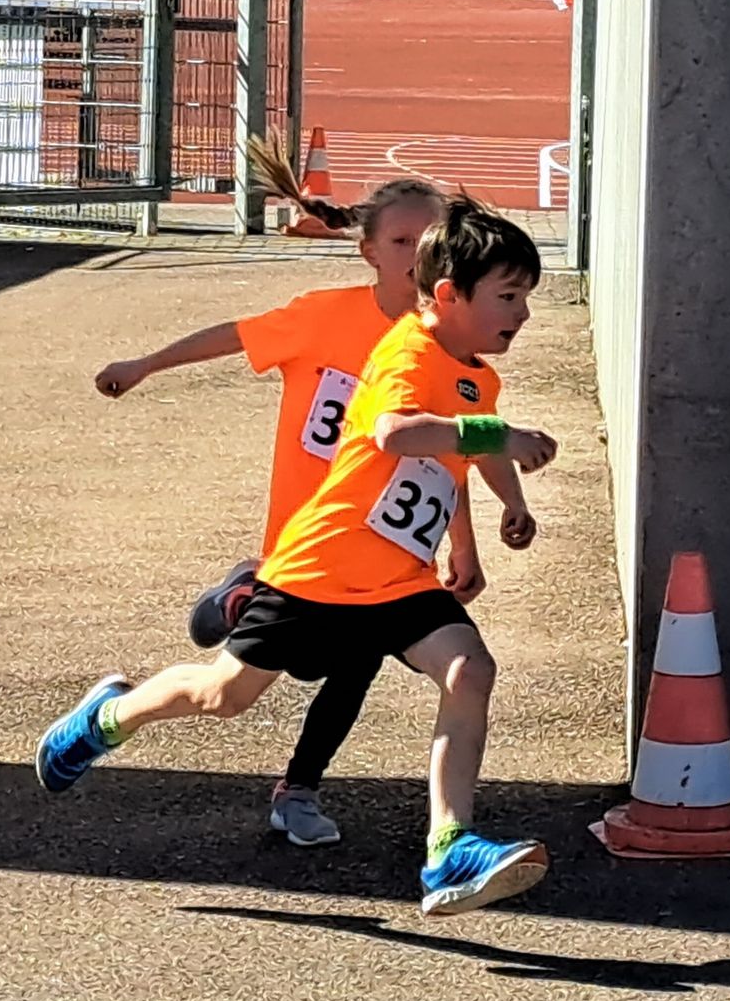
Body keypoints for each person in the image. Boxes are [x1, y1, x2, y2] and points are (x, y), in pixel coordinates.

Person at [42, 197, 559, 917]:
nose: (523, 314)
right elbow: (399, 433)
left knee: (469, 670)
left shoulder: (476, 374)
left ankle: (449, 846)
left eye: (526, 297)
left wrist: (512, 500)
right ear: (448, 295)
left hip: (398, 582)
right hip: (320, 570)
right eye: (508, 297)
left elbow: (470, 440)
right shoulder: (407, 352)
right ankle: (108, 717)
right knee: (222, 697)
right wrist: (499, 437)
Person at [92, 139, 452, 847]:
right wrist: (145, 365)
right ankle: (244, 594)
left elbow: (449, 451)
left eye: (430, 242)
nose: (416, 256)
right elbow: (234, 336)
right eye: (401, 242)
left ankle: (300, 789)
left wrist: (462, 545)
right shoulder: (324, 317)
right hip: (308, 541)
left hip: (385, 548)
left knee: (355, 664)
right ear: (369, 252)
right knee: (291, 667)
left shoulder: (445, 340)